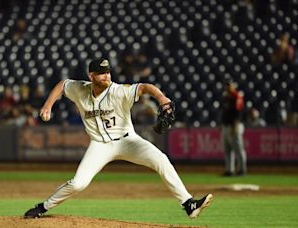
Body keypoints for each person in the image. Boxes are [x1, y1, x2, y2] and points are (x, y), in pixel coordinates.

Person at [24, 58, 213, 219]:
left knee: (160, 159)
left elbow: (145, 87)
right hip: (99, 146)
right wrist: (48, 105)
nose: (106, 76)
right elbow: (62, 85)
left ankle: (188, 204)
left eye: (107, 72)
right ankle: (43, 207)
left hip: (127, 141)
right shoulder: (80, 89)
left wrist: (162, 98)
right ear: (91, 76)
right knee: (78, 183)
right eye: (101, 73)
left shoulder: (119, 91)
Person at [220, 80, 247, 177]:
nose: (227, 87)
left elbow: (238, 112)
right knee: (227, 149)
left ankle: (241, 170)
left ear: (233, 86)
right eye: (226, 85)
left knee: (238, 149)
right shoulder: (225, 97)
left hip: (234, 125)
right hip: (226, 125)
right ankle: (229, 170)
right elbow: (223, 112)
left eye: (229, 86)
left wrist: (235, 126)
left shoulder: (237, 96)